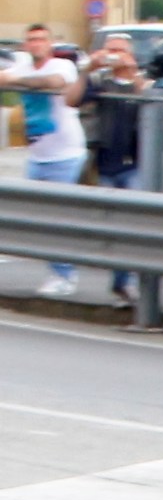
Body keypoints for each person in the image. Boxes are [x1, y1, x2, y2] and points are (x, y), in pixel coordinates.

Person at [0, 24, 90, 299]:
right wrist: (13, 78)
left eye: (40, 39)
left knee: (57, 219)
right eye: (31, 40)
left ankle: (65, 275)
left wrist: (17, 81)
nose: (35, 44)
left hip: (66, 154)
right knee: (36, 219)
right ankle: (57, 270)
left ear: (50, 44)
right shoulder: (23, 68)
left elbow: (51, 84)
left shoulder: (62, 66)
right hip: (38, 156)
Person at [82, 32, 152, 309]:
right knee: (112, 228)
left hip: (133, 164)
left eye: (120, 51)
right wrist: (88, 69)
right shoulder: (100, 82)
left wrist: (133, 73)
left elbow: (153, 109)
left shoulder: (143, 83)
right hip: (105, 164)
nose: (114, 56)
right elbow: (70, 99)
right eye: (110, 50)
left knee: (131, 225)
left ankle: (128, 284)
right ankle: (120, 283)